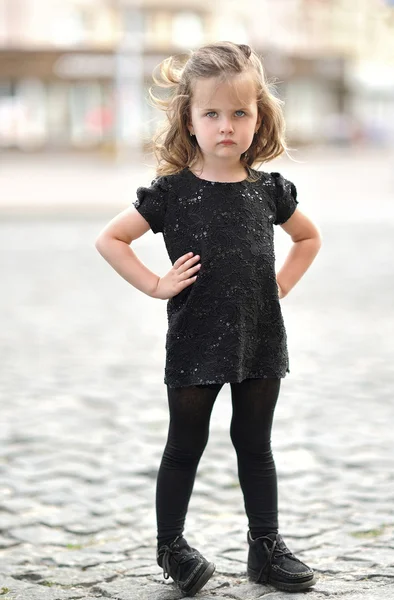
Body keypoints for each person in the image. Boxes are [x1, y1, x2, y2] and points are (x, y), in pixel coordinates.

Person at [95, 41, 322, 597]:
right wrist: (155, 284)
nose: (227, 125)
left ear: (259, 118)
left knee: (256, 444)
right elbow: (112, 238)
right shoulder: (171, 194)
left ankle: (264, 548)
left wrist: (281, 284)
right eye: (212, 113)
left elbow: (308, 238)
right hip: (196, 337)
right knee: (184, 445)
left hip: (259, 339)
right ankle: (171, 546)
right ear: (190, 120)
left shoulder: (268, 191)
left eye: (240, 113)